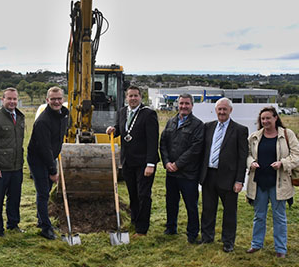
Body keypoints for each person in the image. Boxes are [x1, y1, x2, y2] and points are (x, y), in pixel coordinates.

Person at [245, 107, 299, 258]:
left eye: (268, 118)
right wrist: (251, 163)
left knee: (279, 217)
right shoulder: (254, 137)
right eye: (262, 119)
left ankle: (281, 249)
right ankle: (256, 244)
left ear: (275, 118)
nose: (265, 121)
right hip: (259, 182)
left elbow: (297, 155)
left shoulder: (287, 134)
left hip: (279, 182)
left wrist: (283, 163)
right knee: (259, 215)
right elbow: (247, 154)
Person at [106, 85, 159, 237]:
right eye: (130, 96)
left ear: (140, 97)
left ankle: (142, 229)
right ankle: (135, 221)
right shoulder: (123, 111)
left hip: (143, 163)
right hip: (128, 161)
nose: (133, 98)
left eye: (136, 96)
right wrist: (113, 129)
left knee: (143, 195)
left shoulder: (148, 114)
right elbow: (122, 129)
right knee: (133, 194)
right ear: (126, 97)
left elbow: (153, 141)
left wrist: (151, 164)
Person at [199, 97, 248, 252]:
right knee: (207, 209)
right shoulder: (208, 127)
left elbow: (242, 157)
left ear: (230, 110)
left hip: (229, 178)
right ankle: (207, 237)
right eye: (219, 109)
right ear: (215, 110)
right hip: (209, 175)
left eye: (224, 109)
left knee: (229, 212)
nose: (221, 112)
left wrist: (240, 180)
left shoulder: (240, 130)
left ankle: (228, 242)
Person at [159, 93, 204, 243]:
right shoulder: (171, 122)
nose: (184, 106)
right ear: (177, 104)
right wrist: (166, 162)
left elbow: (195, 149)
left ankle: (192, 234)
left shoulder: (198, 125)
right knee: (171, 202)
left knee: (191, 205)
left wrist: (177, 164)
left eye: (187, 104)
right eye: (181, 103)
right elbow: (163, 143)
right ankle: (170, 228)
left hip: (188, 174)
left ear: (192, 105)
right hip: (171, 173)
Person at [27, 86, 68, 240]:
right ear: (47, 100)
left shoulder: (64, 114)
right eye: (53, 99)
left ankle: (41, 219)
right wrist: (52, 171)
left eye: (59, 99)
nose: (56, 102)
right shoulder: (43, 121)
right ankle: (45, 228)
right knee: (43, 192)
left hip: (51, 156)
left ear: (63, 99)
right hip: (38, 159)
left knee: (47, 190)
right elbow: (44, 148)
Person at [0, 87, 26, 238]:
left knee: (15, 198)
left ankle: (13, 224)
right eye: (9, 98)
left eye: (14, 99)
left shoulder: (20, 117)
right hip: (1, 168)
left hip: (16, 166)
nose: (12, 101)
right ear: (2, 99)